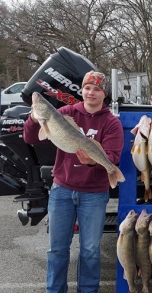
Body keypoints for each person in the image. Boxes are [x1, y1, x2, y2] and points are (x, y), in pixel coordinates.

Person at [23, 71, 124, 293]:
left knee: (90, 250)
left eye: (97, 89)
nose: (91, 92)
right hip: (62, 190)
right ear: (82, 90)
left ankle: (88, 290)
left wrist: (92, 162)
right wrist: (33, 118)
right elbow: (31, 138)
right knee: (57, 249)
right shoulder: (64, 113)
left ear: (104, 94)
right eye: (87, 87)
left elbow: (113, 156)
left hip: (94, 194)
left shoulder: (111, 123)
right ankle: (54, 290)